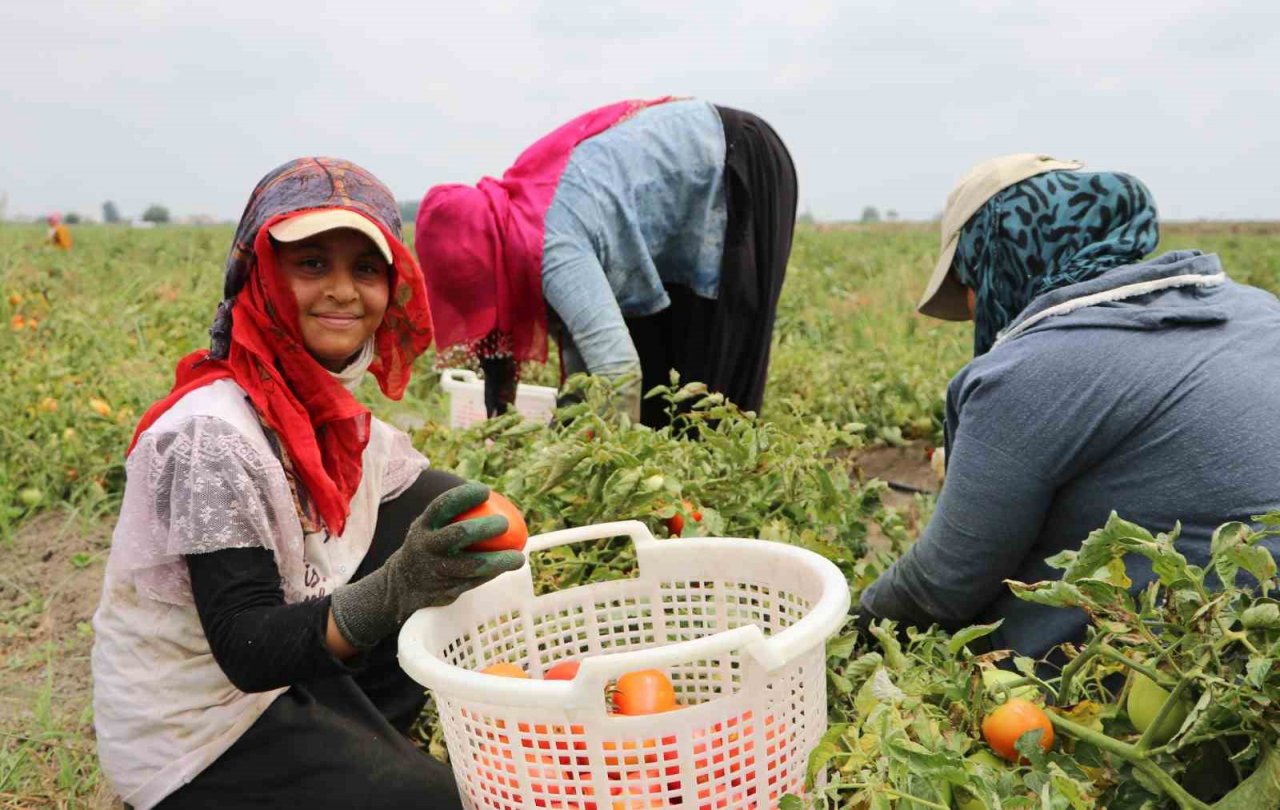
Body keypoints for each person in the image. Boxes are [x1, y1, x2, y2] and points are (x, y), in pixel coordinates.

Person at [90, 157, 525, 809]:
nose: (344, 291)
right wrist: (396, 590)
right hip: (197, 728)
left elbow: (436, 502)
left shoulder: (334, 419)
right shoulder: (212, 437)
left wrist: (535, 560)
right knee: (446, 802)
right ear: (261, 276)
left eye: (365, 268)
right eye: (313, 263)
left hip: (279, 678)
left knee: (437, 511)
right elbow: (245, 649)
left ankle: (358, 739)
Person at [858, 153, 1280, 661]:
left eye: (970, 279)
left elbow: (943, 583)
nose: (972, 305)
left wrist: (843, 633)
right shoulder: (1259, 310)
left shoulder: (1027, 372)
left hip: (1184, 679)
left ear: (1004, 260)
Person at [415, 97, 798, 427]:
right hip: (693, 176)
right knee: (660, 390)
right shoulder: (519, 220)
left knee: (712, 385)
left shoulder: (551, 243)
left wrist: (608, 474)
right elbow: (584, 358)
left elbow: (617, 370)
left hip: (736, 159)